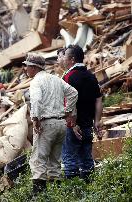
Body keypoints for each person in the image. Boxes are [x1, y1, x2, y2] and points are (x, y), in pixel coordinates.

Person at [23, 53, 78, 195]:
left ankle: (39, 196)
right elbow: (73, 93)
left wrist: (35, 119)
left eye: (27, 66)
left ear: (34, 68)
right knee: (55, 162)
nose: (25, 69)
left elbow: (36, 100)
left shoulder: (36, 82)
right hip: (61, 124)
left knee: (38, 160)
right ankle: (58, 194)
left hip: (46, 124)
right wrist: (68, 111)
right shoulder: (56, 79)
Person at [57, 45, 103, 182]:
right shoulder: (91, 76)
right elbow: (99, 100)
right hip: (88, 124)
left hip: (74, 127)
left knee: (70, 159)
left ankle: (74, 192)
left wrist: (73, 124)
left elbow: (69, 102)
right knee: (87, 159)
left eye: (64, 56)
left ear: (71, 59)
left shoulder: (68, 77)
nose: (62, 59)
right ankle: (89, 189)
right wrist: (97, 121)